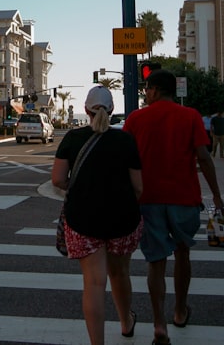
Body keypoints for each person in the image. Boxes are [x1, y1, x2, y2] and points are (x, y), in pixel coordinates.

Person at [123, 70, 224, 345]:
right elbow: (203, 158)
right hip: (184, 199)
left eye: (147, 89)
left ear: (154, 90)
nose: (145, 94)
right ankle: (180, 311)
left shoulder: (135, 119)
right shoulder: (190, 116)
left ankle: (159, 325)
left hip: (148, 200)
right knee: (183, 254)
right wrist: (216, 196)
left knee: (155, 262)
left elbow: (125, 160)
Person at [52, 86, 143, 345]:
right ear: (112, 112)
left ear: (86, 111)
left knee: (93, 283)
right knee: (120, 274)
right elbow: (138, 187)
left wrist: (79, 188)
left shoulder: (72, 138)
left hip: (83, 219)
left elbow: (58, 179)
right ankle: (126, 323)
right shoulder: (126, 140)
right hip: (123, 219)